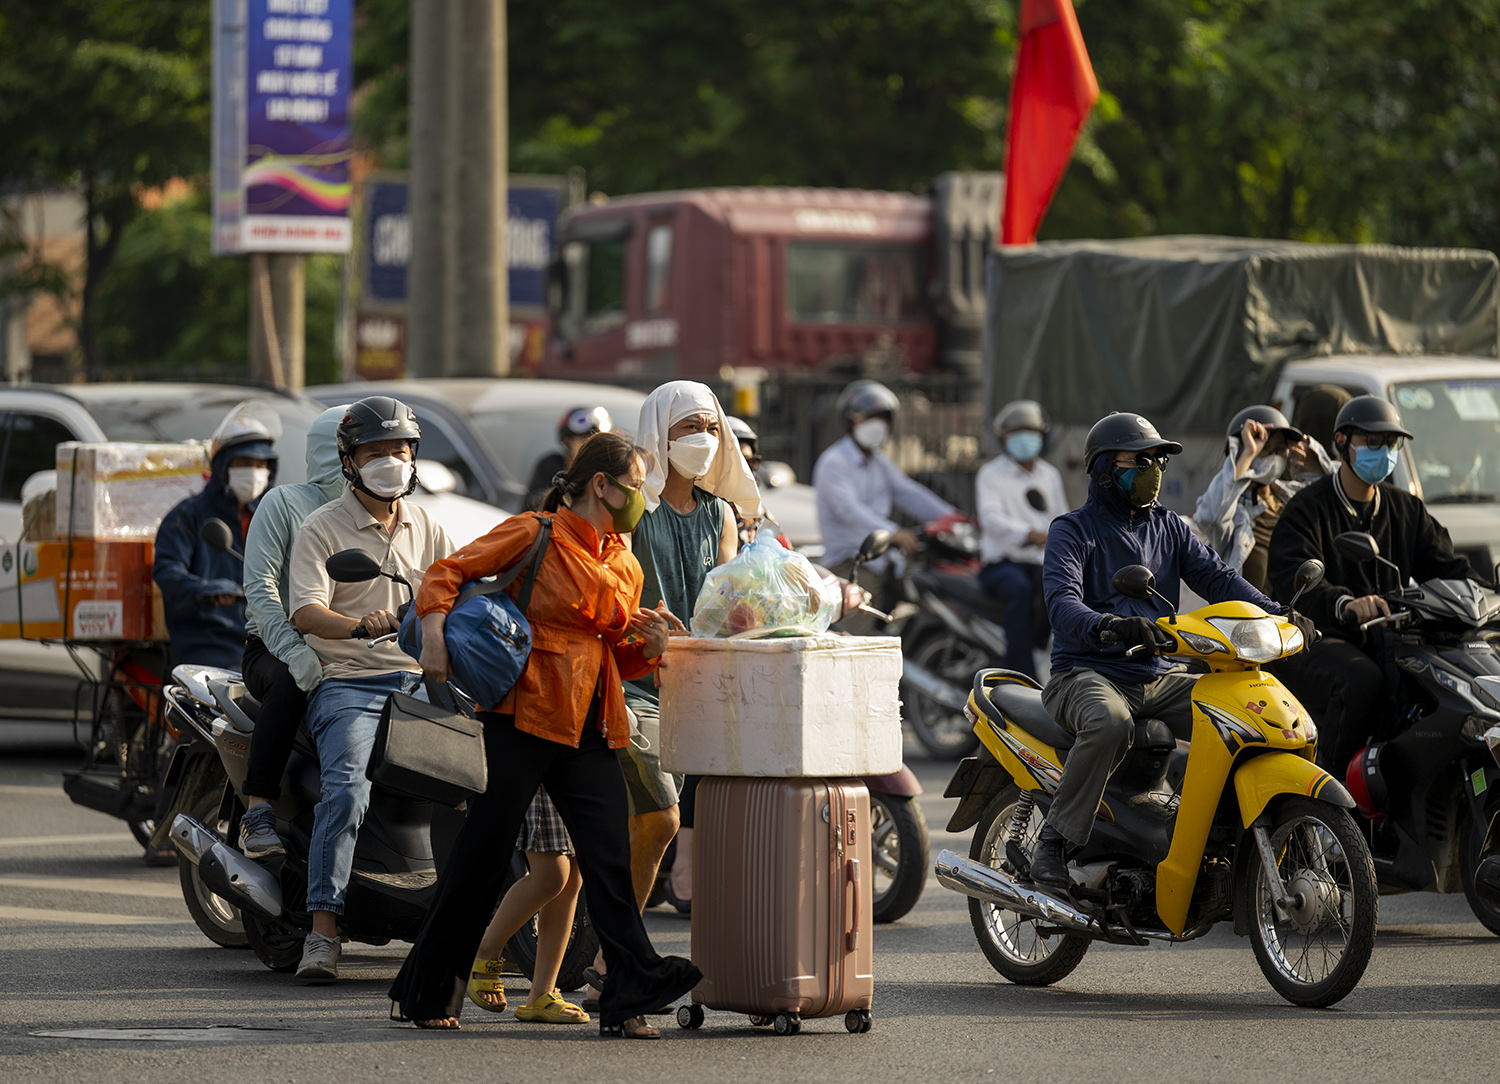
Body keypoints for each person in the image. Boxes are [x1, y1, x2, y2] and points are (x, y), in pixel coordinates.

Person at [388, 431, 701, 1035]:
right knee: (479, 858)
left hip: (590, 726)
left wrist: (654, 648)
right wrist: (431, 637)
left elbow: (616, 658)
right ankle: (426, 990)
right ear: (601, 485)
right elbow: (447, 574)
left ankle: (629, 995)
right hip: (522, 718)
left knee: (608, 862)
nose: (641, 499)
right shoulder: (534, 533)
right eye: (635, 487)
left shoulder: (624, 561)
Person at [1031, 411, 1311, 888]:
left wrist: (1278, 613)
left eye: (1158, 460)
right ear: (1104, 470)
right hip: (1084, 674)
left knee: (1248, 711)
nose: (1153, 470)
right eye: (1139, 461)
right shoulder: (1071, 531)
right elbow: (1062, 606)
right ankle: (1053, 842)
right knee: (1110, 723)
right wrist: (1113, 625)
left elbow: (1218, 579)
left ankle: (1218, 837)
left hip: (1156, 675)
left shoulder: (1170, 528)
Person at [580, 381, 759, 1007]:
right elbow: (610, 592)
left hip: (708, 683)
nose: (702, 441)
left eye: (711, 427)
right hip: (638, 685)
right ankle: (612, 952)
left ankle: (640, 956)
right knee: (659, 820)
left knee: (711, 825)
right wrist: (646, 632)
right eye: (687, 429)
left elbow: (732, 597)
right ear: (659, 433)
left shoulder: (721, 514)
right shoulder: (635, 511)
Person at [285, 396, 454, 982]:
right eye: (376, 452)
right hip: (350, 682)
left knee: (483, 781)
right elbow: (306, 612)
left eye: (399, 451)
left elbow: (452, 590)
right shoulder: (320, 527)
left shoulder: (428, 524)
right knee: (347, 794)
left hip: (418, 681)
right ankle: (323, 931)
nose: (390, 461)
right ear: (350, 461)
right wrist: (359, 625)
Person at [1269, 395, 1474, 776]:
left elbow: (1447, 567)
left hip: (1391, 637)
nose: (1385, 451)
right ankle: (1329, 799)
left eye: (1392, 443)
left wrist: (1482, 595)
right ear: (1342, 444)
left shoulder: (1405, 509)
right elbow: (1292, 578)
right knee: (1362, 680)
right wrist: (1344, 603)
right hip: (1318, 638)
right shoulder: (1306, 508)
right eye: (1373, 442)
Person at [236, 405, 346, 860]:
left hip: (349, 647)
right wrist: (292, 649)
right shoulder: (284, 503)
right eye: (365, 449)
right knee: (289, 681)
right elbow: (259, 587)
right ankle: (258, 810)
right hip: (272, 646)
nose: (382, 459)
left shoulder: (380, 511)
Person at [813, 379, 955, 634]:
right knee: (857, 640)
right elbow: (849, 510)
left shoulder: (879, 461)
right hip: (852, 564)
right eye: (869, 417)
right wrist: (893, 532)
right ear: (850, 421)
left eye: (882, 417)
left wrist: (952, 518)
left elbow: (909, 493)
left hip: (885, 560)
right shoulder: (833, 462)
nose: (876, 424)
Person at [153, 402, 279, 668]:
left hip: (264, 639)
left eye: (260, 463)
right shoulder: (187, 516)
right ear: (222, 465)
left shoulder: (269, 515)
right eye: (244, 462)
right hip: (209, 642)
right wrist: (205, 589)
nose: (254, 471)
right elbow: (166, 570)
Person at [464, 788, 589, 1024]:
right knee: (551, 875)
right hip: (545, 760)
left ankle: (542, 993)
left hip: (583, 759)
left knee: (573, 877)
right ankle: (485, 949)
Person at [974, 400, 1067, 678]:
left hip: (1040, 563)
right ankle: (1019, 674)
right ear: (1004, 438)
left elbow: (1060, 517)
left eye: (1032, 432)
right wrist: (1027, 532)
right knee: (1020, 590)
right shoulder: (990, 475)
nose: (1027, 439)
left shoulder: (1049, 475)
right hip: (1002, 565)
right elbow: (991, 519)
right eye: (1018, 432)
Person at [1193, 405, 1328, 593]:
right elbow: (1209, 516)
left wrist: (1319, 462)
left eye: (1280, 450)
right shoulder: (1233, 510)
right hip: (1248, 618)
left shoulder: (1293, 499)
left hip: (1290, 617)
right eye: (1265, 449)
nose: (1274, 457)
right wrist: (1248, 453)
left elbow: (1336, 494)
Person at [526, 405, 612, 509]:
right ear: (567, 441)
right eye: (584, 440)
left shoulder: (611, 470)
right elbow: (534, 504)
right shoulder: (551, 467)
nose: (591, 446)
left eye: (597, 440)